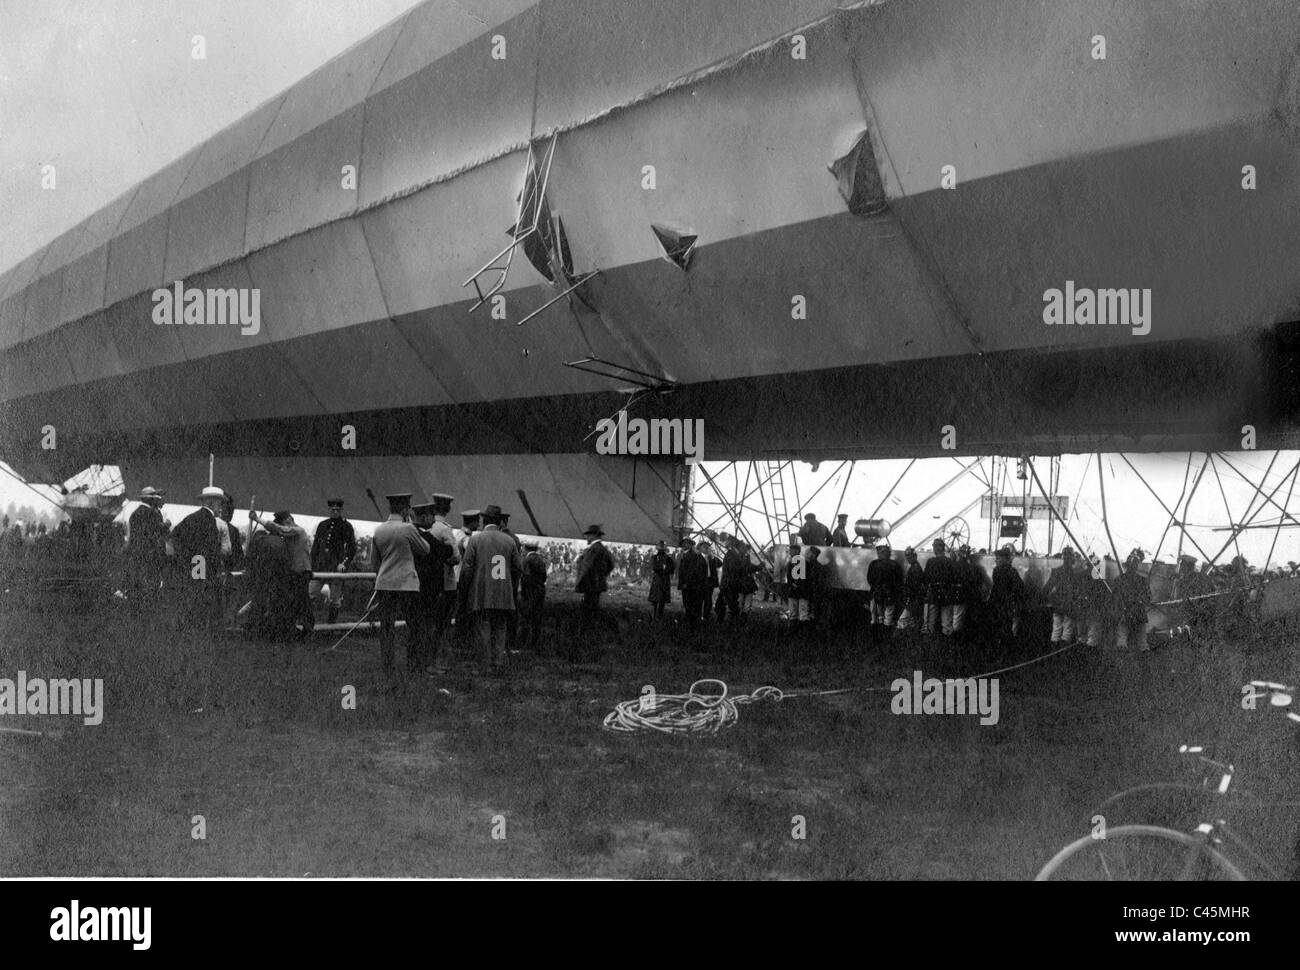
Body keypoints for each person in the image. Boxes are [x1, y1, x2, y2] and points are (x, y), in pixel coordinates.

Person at [371, 493, 430, 679]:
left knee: (386, 627)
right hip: (406, 584)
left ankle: (387, 666)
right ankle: (414, 665)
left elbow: (375, 561)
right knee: (414, 626)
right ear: (406, 509)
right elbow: (425, 549)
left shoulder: (379, 530)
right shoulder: (408, 528)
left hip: (385, 582)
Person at [460, 504, 521, 674]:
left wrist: (465, 590)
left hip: (482, 592)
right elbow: (518, 567)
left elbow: (467, 568)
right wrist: (510, 584)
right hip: (503, 592)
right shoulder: (509, 541)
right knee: (500, 628)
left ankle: (485, 666)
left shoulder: (476, 540)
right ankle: (498, 663)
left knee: (483, 628)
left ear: (484, 520)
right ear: (500, 521)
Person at [171, 485, 232, 635]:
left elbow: (175, 535)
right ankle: (196, 628)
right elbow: (210, 548)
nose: (221, 507)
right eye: (219, 503)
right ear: (211, 503)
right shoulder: (209, 520)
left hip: (194, 563)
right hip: (202, 565)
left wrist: (185, 556)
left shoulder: (192, 518)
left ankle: (190, 626)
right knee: (201, 597)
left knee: (193, 595)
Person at [251, 510, 314, 638]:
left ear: (290, 519)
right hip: (296, 572)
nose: (286, 524)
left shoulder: (298, 531)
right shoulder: (292, 533)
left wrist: (258, 519)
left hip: (301, 573)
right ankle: (297, 631)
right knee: (295, 602)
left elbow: (279, 529)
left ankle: (308, 630)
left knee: (302, 602)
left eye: (286, 521)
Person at [310, 499, 357, 626]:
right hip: (320, 567)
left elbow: (352, 548)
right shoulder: (322, 525)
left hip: (336, 569)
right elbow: (315, 547)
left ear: (341, 510)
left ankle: (331, 627)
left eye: (337, 510)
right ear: (328, 510)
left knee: (335, 600)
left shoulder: (346, 526)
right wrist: (312, 565)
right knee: (310, 595)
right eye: (332, 509)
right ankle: (307, 624)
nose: (335, 512)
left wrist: (344, 563)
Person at [426, 494, 460, 664]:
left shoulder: (427, 526)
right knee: (442, 624)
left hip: (427, 581)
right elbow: (456, 558)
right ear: (447, 509)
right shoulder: (445, 529)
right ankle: (437, 659)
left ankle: (428, 658)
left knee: (429, 622)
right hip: (445, 583)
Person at [126, 486, 169, 611]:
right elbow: (156, 533)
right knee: (151, 584)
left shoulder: (134, 514)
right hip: (151, 555)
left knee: (138, 582)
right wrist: (166, 525)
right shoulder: (152, 514)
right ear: (151, 500)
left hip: (137, 554)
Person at [574, 524, 615, 634]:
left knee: (587, 609)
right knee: (594, 607)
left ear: (594, 536)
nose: (587, 538)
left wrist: (579, 583)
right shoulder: (603, 549)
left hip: (590, 584)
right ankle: (592, 631)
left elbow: (586, 568)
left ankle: (586, 632)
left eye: (588, 535)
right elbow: (611, 565)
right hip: (598, 584)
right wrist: (602, 576)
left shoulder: (593, 550)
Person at [1115, 549, 1152, 651]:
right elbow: (1148, 598)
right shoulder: (1141, 580)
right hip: (1131, 614)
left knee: (1137, 642)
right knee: (1140, 643)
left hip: (1129, 613)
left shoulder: (1119, 579)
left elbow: (1147, 597)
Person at [987, 546, 1025, 643]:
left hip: (1002, 603)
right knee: (1005, 625)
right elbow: (1019, 586)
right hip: (1005, 603)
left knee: (1003, 625)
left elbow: (1017, 587)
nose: (996, 560)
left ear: (1004, 559)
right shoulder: (1009, 571)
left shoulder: (999, 571)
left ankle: (1003, 643)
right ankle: (1006, 644)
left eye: (998, 558)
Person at [1042, 548, 1080, 645]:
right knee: (1067, 631)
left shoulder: (1056, 571)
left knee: (1056, 630)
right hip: (1069, 604)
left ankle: (1054, 654)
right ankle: (1063, 656)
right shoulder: (1076, 574)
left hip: (1058, 604)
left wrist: (1042, 599)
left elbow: (1047, 587)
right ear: (1072, 559)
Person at [922, 539, 959, 636]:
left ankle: (929, 639)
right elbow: (955, 577)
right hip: (947, 594)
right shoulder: (950, 562)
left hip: (933, 594)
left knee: (930, 621)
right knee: (947, 622)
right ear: (943, 548)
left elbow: (926, 578)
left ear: (936, 548)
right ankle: (947, 641)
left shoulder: (931, 561)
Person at [866, 542, 903, 637]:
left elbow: (870, 579)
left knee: (876, 616)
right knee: (888, 615)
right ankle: (886, 636)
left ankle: (876, 636)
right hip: (889, 594)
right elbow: (899, 580)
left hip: (876, 592)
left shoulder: (874, 564)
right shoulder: (894, 564)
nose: (879, 554)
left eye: (880, 552)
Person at [519, 541, 548, 651]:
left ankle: (523, 643)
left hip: (529, 592)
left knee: (525, 617)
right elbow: (544, 577)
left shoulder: (527, 560)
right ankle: (535, 643)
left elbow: (525, 577)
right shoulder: (540, 560)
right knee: (537, 618)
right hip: (540, 591)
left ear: (526, 548)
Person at [787, 544, 823, 631]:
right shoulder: (808, 563)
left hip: (799, 591)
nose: (808, 553)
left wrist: (795, 585)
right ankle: (804, 633)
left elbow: (795, 578)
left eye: (810, 552)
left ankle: (797, 632)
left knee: (797, 613)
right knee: (803, 614)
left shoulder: (800, 563)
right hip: (803, 592)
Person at [717, 537, 751, 624]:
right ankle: (732, 622)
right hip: (729, 584)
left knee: (725, 604)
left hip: (728, 584)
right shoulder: (733, 554)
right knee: (729, 604)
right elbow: (736, 569)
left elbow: (736, 569)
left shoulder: (733, 554)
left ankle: (727, 622)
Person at [677, 538, 709, 624]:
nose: (684, 545)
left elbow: (691, 571)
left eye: (687, 543)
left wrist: (685, 583)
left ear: (691, 545)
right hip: (688, 584)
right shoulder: (686, 554)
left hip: (689, 585)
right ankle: (690, 619)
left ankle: (691, 621)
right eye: (683, 543)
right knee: (688, 603)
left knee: (689, 603)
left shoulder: (692, 556)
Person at [897, 547, 926, 630]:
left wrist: (909, 598)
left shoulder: (915, 568)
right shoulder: (915, 567)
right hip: (915, 598)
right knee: (912, 620)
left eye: (910, 557)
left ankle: (899, 636)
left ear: (915, 556)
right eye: (907, 557)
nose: (908, 559)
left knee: (902, 620)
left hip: (913, 598)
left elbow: (914, 587)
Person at [648, 539, 675, 619]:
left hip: (665, 580)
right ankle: (654, 616)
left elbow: (672, 569)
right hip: (657, 580)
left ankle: (660, 617)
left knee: (662, 600)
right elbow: (654, 567)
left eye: (662, 546)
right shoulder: (654, 557)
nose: (661, 548)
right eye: (659, 546)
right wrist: (663, 569)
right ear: (657, 547)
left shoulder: (669, 558)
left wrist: (665, 569)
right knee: (655, 599)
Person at [699, 540, 723, 620]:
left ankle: (706, 616)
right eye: (704, 546)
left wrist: (713, 556)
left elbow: (720, 563)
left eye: (707, 546)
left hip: (709, 582)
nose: (706, 548)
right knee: (699, 600)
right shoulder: (697, 557)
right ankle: (698, 616)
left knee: (708, 601)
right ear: (700, 548)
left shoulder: (712, 558)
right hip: (700, 583)